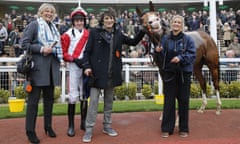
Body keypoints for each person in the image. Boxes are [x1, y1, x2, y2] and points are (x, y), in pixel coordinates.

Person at [81, 7, 145, 143]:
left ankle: (107, 126)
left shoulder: (118, 34)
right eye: (106, 19)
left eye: (111, 18)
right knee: (93, 103)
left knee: (109, 103)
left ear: (114, 20)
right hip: (96, 74)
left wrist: (143, 30)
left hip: (112, 73)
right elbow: (86, 52)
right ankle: (89, 130)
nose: (109, 21)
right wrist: (86, 67)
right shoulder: (94, 33)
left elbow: (133, 42)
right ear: (103, 21)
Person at [21, 3, 64, 144]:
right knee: (33, 103)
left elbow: (56, 48)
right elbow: (25, 44)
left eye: (51, 12)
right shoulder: (34, 25)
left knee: (49, 102)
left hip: (51, 70)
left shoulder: (54, 28)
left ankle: (48, 126)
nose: (49, 14)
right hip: (37, 70)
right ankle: (30, 131)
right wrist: (41, 49)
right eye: (46, 11)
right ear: (41, 12)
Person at [155, 15, 196, 138]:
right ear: (171, 24)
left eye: (179, 22)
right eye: (174, 22)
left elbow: (192, 55)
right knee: (169, 101)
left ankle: (183, 128)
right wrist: (157, 52)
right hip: (169, 73)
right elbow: (161, 58)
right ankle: (167, 128)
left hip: (184, 73)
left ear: (182, 25)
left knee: (183, 101)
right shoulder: (165, 39)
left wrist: (180, 58)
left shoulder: (188, 39)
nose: (176, 24)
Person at [61, 6, 89, 137]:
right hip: (73, 66)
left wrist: (85, 61)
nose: (79, 22)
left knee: (84, 93)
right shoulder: (66, 35)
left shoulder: (88, 34)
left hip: (86, 66)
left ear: (84, 21)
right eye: (77, 20)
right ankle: (71, 125)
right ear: (73, 21)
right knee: (73, 95)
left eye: (81, 20)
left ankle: (83, 122)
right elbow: (64, 53)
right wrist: (74, 59)